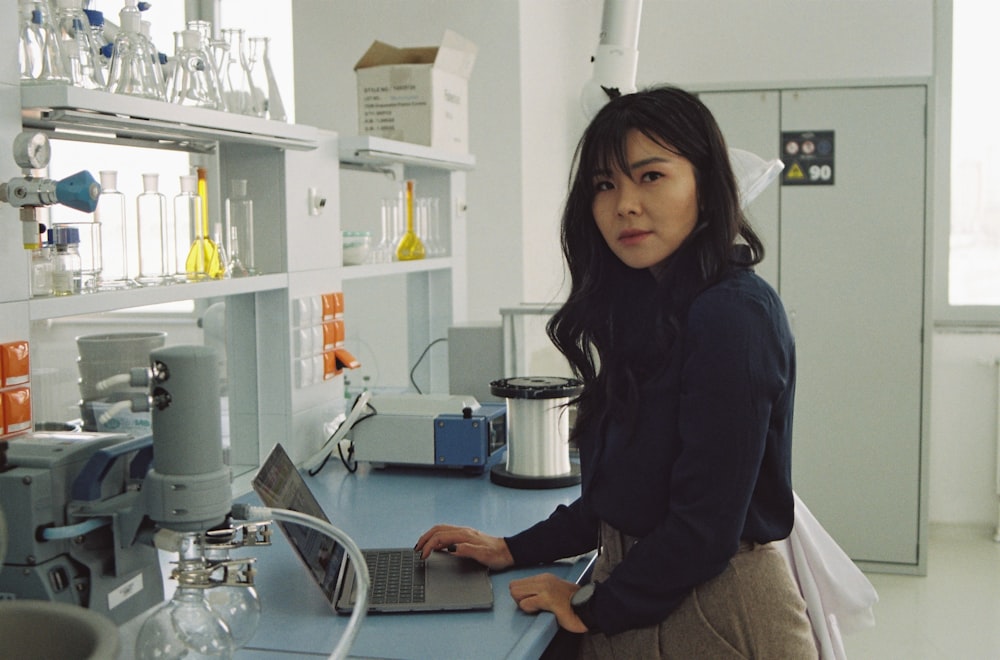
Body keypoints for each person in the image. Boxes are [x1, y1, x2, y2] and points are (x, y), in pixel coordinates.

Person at [415, 85, 817, 658]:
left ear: (707, 185)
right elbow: (623, 497)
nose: (623, 203)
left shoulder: (733, 315)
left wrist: (589, 606)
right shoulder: (656, 310)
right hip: (649, 595)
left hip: (715, 615)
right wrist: (511, 548)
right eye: (605, 185)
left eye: (650, 176)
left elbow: (703, 530)